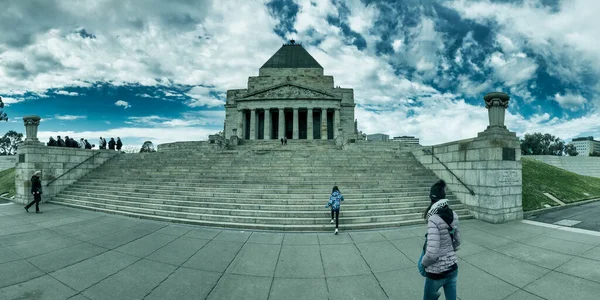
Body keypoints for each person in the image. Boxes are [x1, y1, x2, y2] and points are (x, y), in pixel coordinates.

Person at [420, 180, 461, 300]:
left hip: (436, 272)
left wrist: (423, 264)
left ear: (432, 199)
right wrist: (448, 251)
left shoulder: (433, 218)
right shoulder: (454, 214)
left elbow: (432, 255)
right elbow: (457, 241)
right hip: (453, 267)